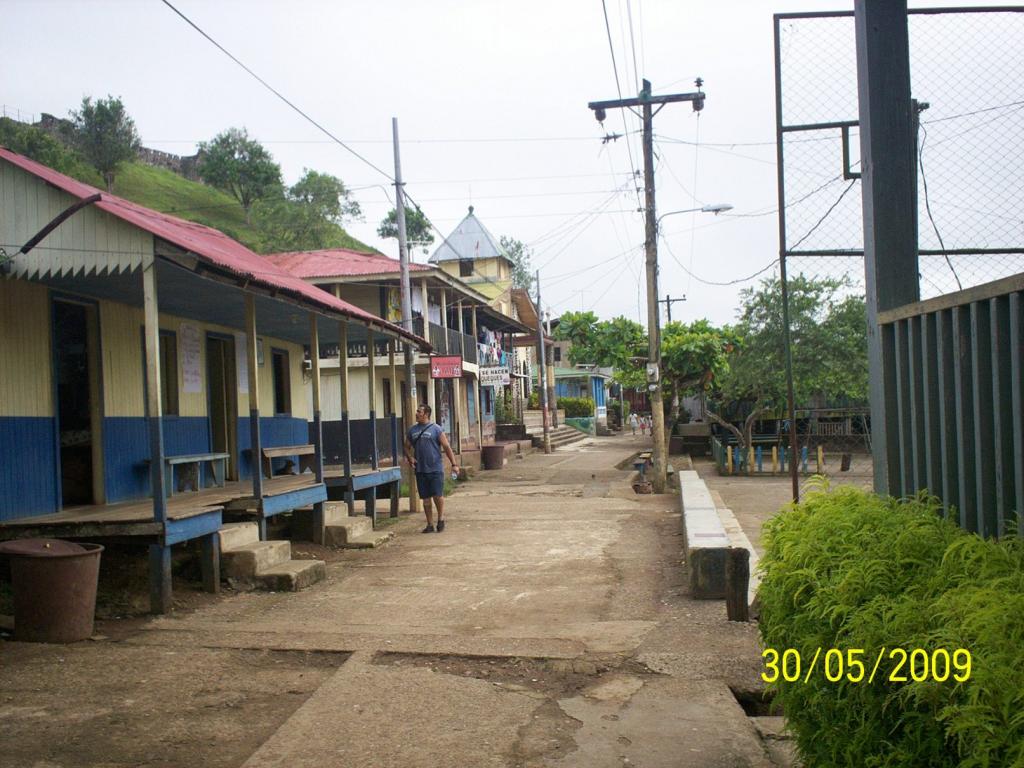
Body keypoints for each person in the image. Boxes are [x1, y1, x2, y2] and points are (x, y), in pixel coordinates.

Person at [404, 403, 460, 533]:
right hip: (420, 469)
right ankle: (429, 524)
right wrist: (410, 457)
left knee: (437, 495)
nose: (416, 414)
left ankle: (440, 519)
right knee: (426, 499)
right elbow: (406, 446)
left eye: (419, 412)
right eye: (417, 411)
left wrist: (454, 464)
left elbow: (446, 447)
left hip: (435, 469)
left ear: (426, 414)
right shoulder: (412, 430)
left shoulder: (436, 429)